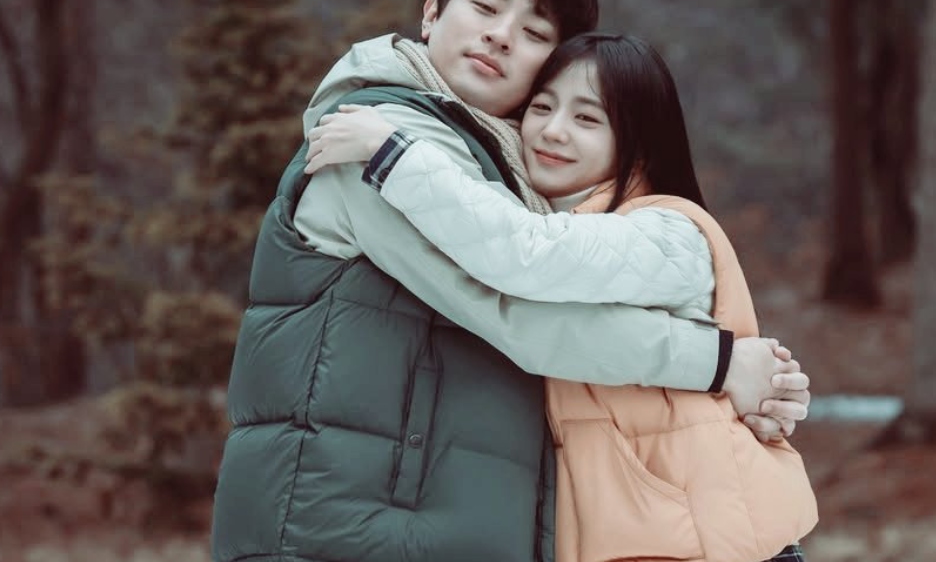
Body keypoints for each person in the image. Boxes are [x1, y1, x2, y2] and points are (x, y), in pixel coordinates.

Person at [211, 0, 810, 562]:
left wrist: (753, 387)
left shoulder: (508, 173)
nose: (501, 35)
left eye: (534, 33)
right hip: (339, 523)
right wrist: (721, 365)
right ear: (431, 13)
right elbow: (519, 314)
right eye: (485, 7)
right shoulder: (376, 139)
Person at [306, 33, 819, 562]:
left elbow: (526, 253)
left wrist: (395, 154)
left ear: (639, 141)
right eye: (542, 107)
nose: (553, 130)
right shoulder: (562, 227)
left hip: (720, 543)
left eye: (587, 119)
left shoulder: (668, 232)